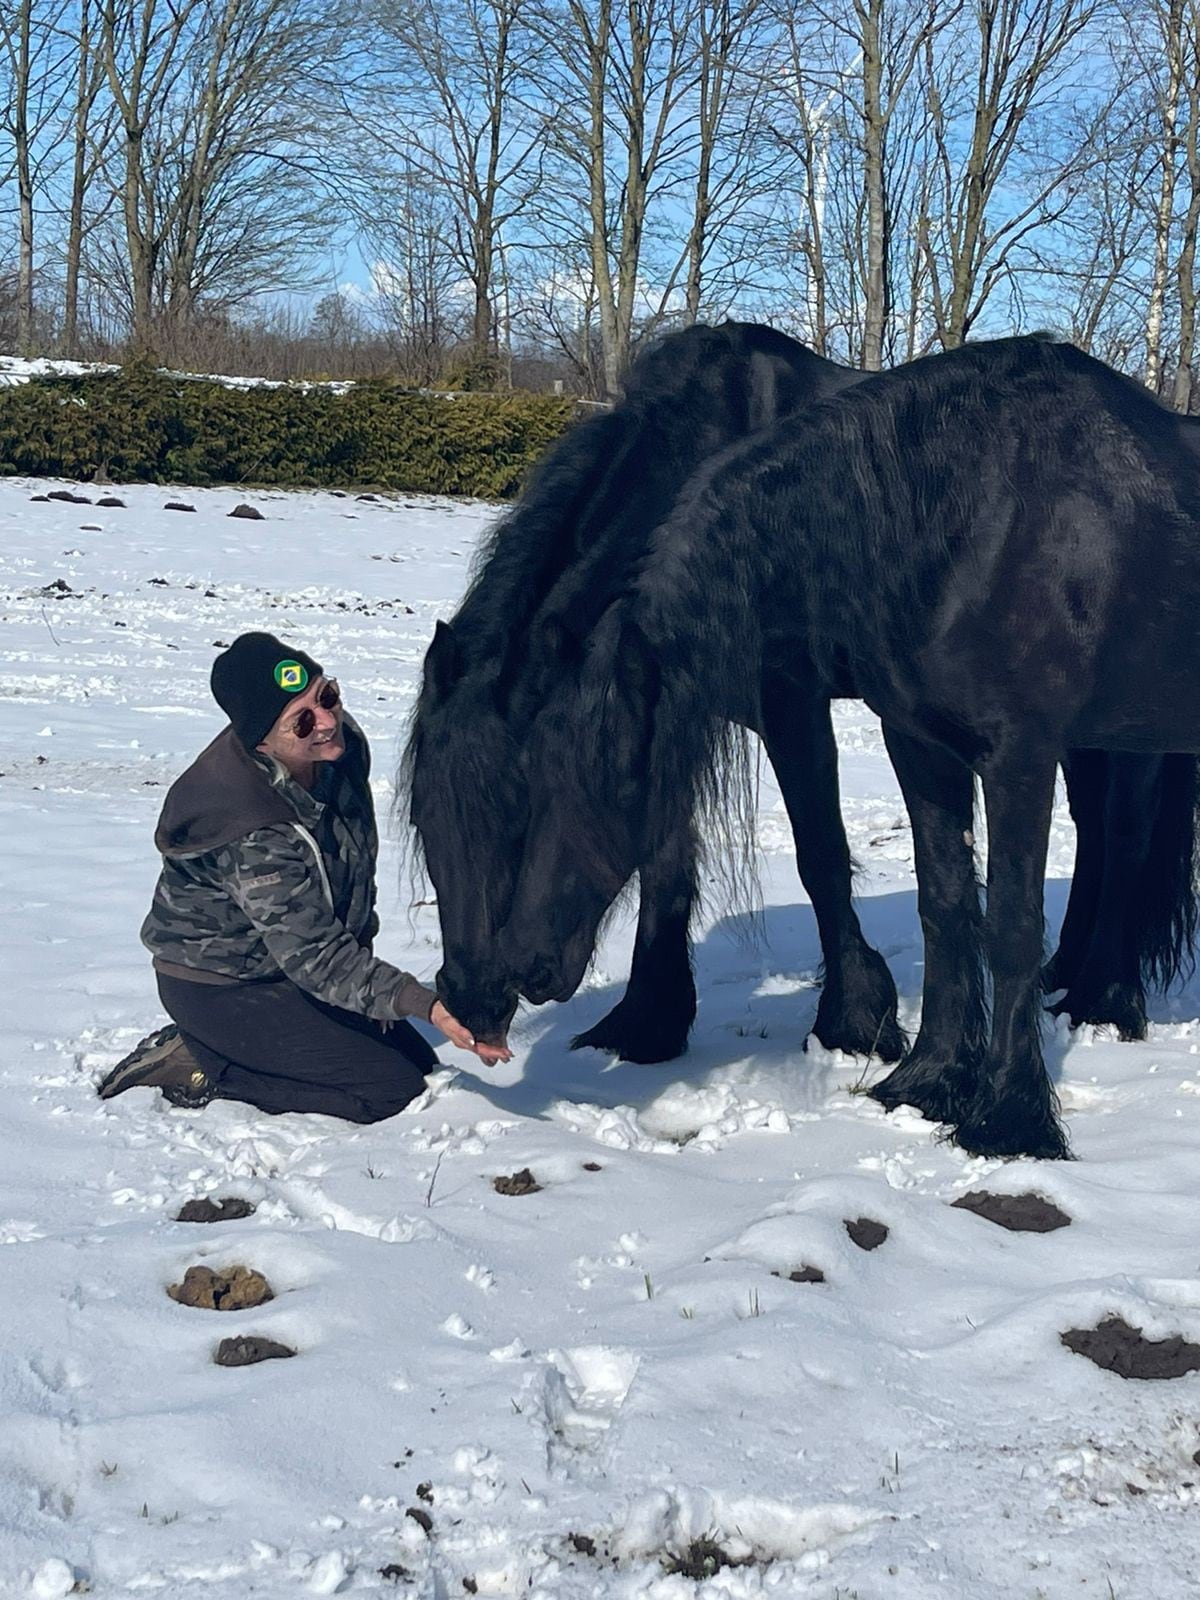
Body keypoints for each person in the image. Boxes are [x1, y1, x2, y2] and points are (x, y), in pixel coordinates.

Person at [98, 631, 510, 1121]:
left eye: (327, 696)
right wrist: (422, 1003)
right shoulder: (250, 827)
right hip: (223, 987)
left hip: (286, 967)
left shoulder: (340, 751)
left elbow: (352, 875)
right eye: (303, 720)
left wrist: (374, 994)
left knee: (420, 1063)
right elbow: (316, 957)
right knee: (391, 1091)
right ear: (262, 740)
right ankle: (201, 1061)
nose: (328, 722)